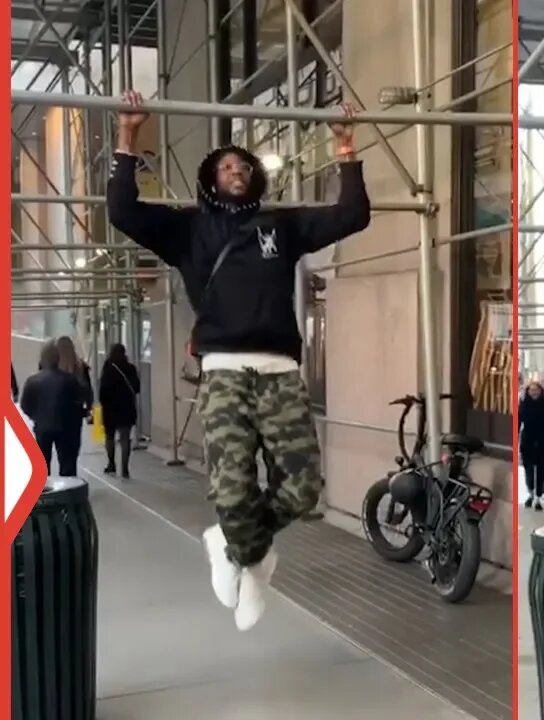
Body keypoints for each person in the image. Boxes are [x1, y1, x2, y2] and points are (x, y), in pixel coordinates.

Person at [109, 90, 370, 630]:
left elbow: (352, 214)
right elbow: (123, 210)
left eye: (243, 165)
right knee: (231, 488)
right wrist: (128, 138)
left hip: (280, 374)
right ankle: (249, 555)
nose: (236, 170)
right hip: (224, 371)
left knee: (300, 491)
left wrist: (345, 151)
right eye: (226, 165)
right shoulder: (187, 231)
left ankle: (234, 548)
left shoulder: (282, 224)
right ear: (210, 179)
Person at [20, 341, 86, 477]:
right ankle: (68, 492)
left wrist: (36, 416)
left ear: (42, 359)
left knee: (42, 463)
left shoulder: (32, 381)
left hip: (42, 427)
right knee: (67, 463)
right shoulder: (69, 380)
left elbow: (25, 405)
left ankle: (44, 492)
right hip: (65, 428)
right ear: (57, 359)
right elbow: (79, 401)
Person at [99, 342, 141, 479]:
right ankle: (125, 469)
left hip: (110, 409)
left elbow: (102, 391)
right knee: (125, 439)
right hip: (126, 408)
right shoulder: (131, 369)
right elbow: (136, 388)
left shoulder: (108, 368)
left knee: (109, 437)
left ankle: (111, 463)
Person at [518, 381, 544, 511]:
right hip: (528, 440)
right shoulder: (523, 405)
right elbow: (518, 422)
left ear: (541, 391)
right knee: (528, 469)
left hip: (543, 440)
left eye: (536, 390)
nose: (534, 392)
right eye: (531, 390)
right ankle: (530, 492)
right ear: (528, 391)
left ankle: (538, 497)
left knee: (541, 469)